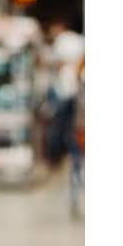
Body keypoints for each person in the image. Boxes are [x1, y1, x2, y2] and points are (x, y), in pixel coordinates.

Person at [44, 17, 85, 166]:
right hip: (74, 88)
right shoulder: (79, 40)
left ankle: (57, 157)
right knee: (71, 126)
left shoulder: (62, 40)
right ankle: (72, 155)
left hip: (63, 89)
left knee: (59, 126)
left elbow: (55, 62)